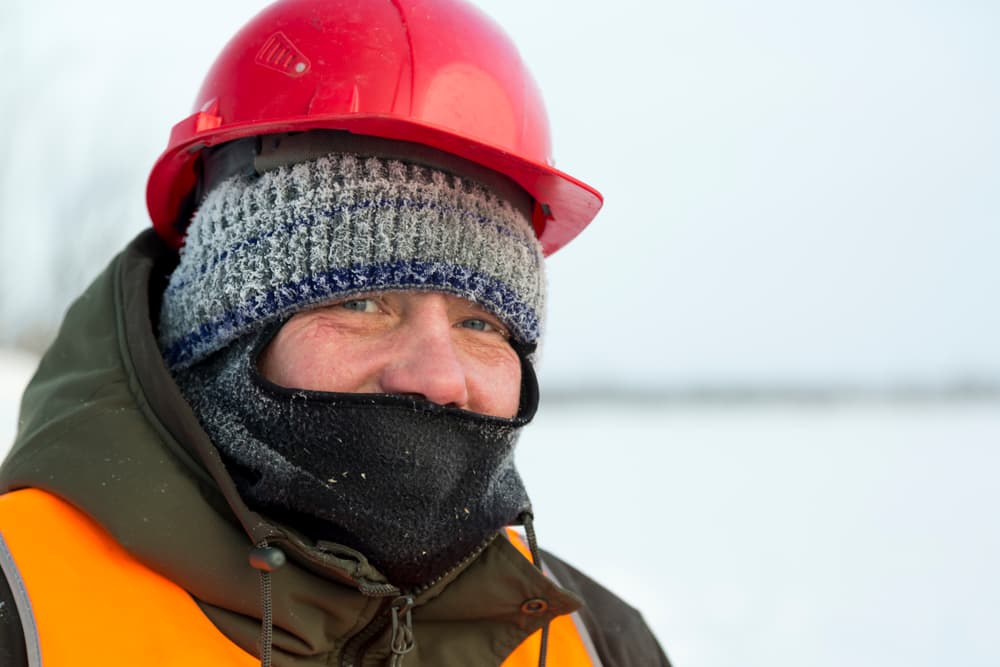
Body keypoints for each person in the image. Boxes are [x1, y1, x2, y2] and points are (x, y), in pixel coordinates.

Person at [0, 0, 670, 665]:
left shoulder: (596, 643)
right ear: (214, 335)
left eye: (480, 322)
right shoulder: (23, 605)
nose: (439, 377)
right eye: (362, 304)